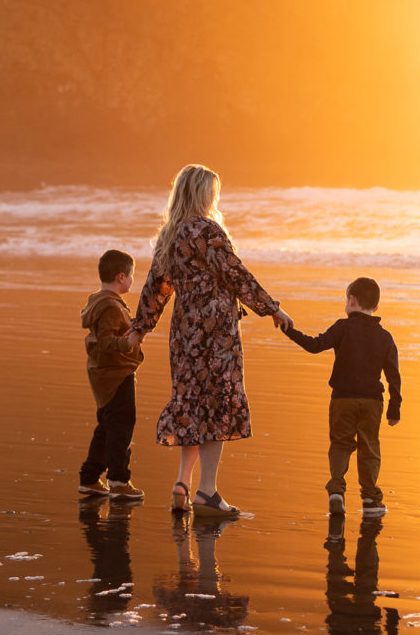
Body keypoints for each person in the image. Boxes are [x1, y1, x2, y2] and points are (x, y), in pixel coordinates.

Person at [128, 165, 290, 517]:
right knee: (218, 404)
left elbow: (157, 287)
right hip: (216, 331)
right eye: (213, 193)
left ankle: (182, 482)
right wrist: (271, 309)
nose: (216, 199)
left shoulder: (170, 235)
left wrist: (141, 327)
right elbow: (235, 274)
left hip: (185, 330)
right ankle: (207, 491)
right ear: (203, 195)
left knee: (191, 401)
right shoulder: (208, 230)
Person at [279, 276, 401, 518]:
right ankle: (370, 498)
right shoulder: (385, 337)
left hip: (342, 399)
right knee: (369, 447)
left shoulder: (342, 328)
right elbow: (393, 375)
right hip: (372, 402)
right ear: (376, 308)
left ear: (352, 301)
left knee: (340, 444)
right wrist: (394, 408)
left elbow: (314, 345)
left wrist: (289, 331)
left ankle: (336, 490)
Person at [79, 248, 144, 500]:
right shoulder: (108, 305)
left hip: (106, 374)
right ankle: (118, 479)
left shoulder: (102, 301)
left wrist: (134, 327)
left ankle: (90, 478)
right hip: (115, 374)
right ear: (120, 277)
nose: (131, 280)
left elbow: (114, 331)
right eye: (131, 276)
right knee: (121, 426)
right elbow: (107, 341)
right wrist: (128, 343)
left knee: (107, 426)